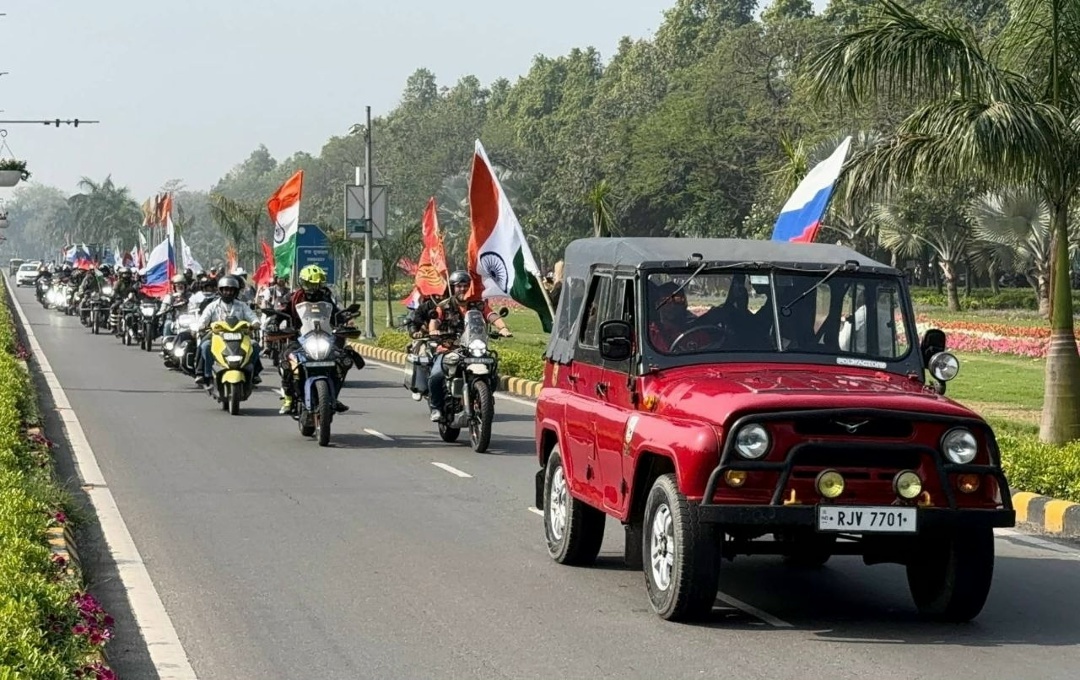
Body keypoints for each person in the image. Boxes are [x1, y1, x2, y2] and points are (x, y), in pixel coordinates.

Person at [426, 270, 512, 422]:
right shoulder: (444, 305)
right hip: (449, 348)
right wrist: (434, 330)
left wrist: (503, 328)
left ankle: (484, 400)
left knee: (492, 371)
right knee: (436, 375)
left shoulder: (477, 304)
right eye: (459, 286)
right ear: (453, 288)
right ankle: (436, 407)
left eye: (465, 285)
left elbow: (490, 315)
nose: (462, 289)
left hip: (473, 348)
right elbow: (435, 320)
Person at [276, 265, 353, 415]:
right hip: (299, 338)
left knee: (343, 361)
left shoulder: (326, 296)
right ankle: (289, 398)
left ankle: (333, 397)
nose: (312, 288)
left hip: (323, 337)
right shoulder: (292, 298)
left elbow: (336, 313)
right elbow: (281, 313)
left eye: (315, 284)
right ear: (302, 283)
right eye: (309, 284)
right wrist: (274, 322)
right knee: (285, 362)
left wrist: (345, 320)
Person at [194, 276, 263, 387]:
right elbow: (203, 319)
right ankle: (203, 373)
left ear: (235, 291)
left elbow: (252, 317)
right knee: (205, 345)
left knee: (254, 346)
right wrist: (201, 326)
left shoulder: (242, 305)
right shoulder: (212, 306)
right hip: (217, 335)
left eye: (231, 290)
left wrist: (255, 323)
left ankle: (253, 373)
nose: (228, 293)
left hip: (240, 335)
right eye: (226, 289)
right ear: (220, 290)